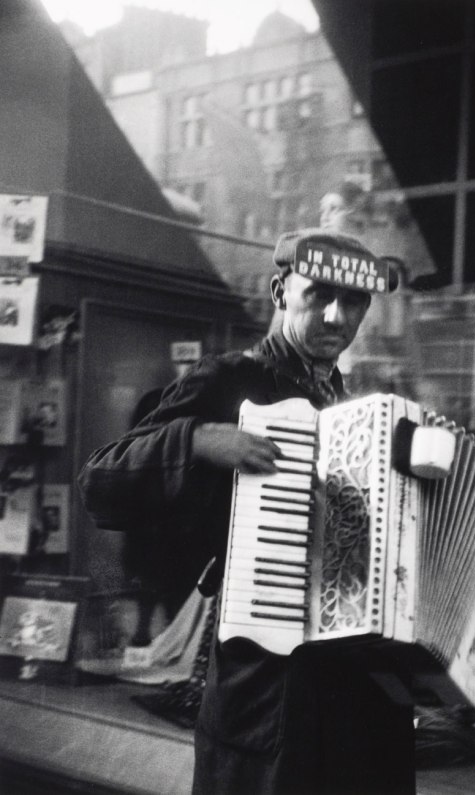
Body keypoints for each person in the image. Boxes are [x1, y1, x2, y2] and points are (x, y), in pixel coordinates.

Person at [78, 229, 414, 795]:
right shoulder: (230, 379)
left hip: (353, 689)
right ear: (282, 292)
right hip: (267, 686)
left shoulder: (356, 407)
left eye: (354, 301)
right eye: (319, 295)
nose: (337, 315)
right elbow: (100, 480)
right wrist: (199, 440)